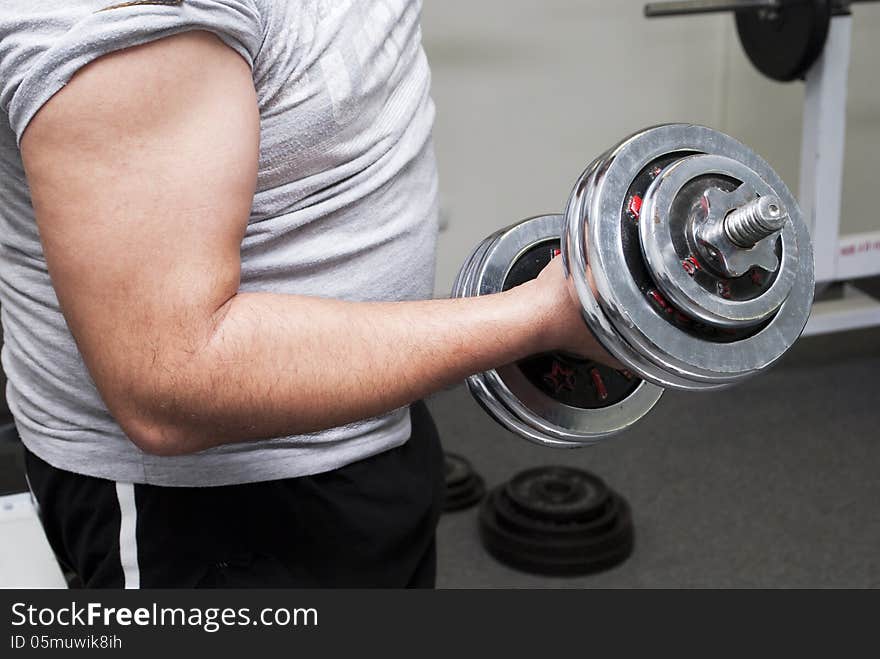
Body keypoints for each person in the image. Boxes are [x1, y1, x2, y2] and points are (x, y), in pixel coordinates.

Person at [0, 0, 612, 588]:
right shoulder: (130, 21)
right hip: (211, 512)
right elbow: (174, 381)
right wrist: (542, 315)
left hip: (373, 418)